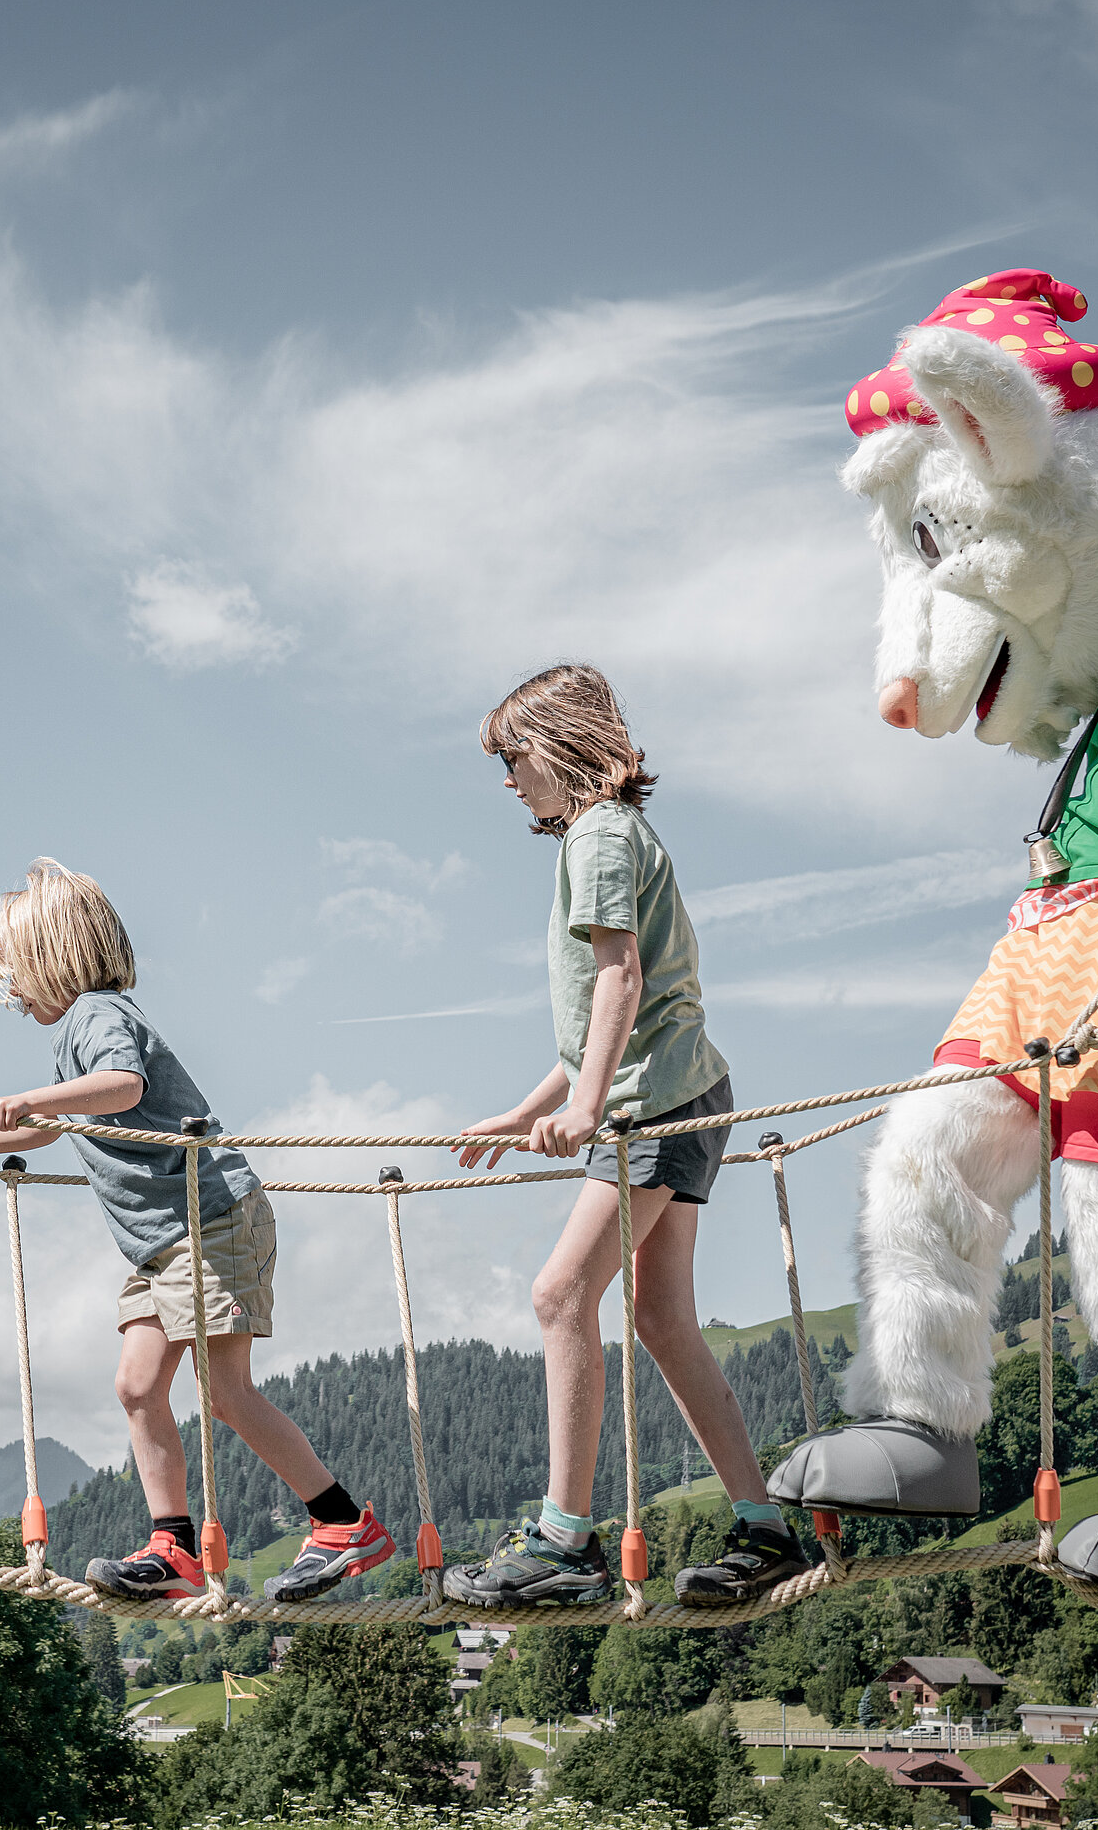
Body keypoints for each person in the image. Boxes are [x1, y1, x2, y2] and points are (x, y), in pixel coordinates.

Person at [0, 857, 393, 1603]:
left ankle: (341, 1522)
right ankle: (173, 1548)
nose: (9, 990)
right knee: (137, 1388)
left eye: (15, 971)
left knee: (224, 1392)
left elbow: (121, 1087)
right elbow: (57, 1121)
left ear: (53, 959)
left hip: (212, 1220)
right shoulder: (74, 1032)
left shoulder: (99, 1017)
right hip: (162, 1244)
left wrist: (26, 1098)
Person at [442, 664, 805, 1609]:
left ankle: (565, 1539)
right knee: (658, 1317)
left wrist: (586, 1108)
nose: (508, 781)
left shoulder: (599, 838)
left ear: (560, 748)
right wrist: (534, 1109)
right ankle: (765, 1529)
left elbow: (620, 984)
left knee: (561, 1295)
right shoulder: (611, 836)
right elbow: (595, 1022)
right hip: (682, 1094)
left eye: (514, 758)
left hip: (654, 1110)